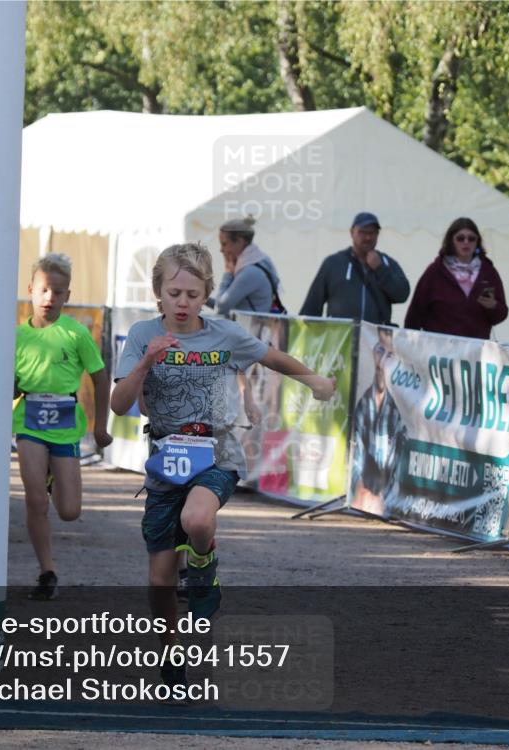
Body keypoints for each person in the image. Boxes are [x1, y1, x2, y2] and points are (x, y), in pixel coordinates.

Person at [111, 242, 335, 690]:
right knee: (159, 579)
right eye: (174, 292)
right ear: (159, 291)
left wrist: (313, 379)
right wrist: (149, 360)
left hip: (216, 453)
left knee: (197, 518)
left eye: (193, 294)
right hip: (164, 461)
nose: (183, 302)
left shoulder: (224, 335)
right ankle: (172, 660)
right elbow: (119, 404)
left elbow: (270, 356)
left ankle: (204, 561)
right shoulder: (141, 335)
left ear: (207, 293)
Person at [13, 253, 113, 600]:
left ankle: (54, 478)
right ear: (30, 290)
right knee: (35, 499)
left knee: (70, 512)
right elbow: (9, 385)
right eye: (43, 290)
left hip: (66, 426)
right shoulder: (17, 337)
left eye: (57, 292)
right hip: (28, 423)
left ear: (67, 296)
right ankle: (47, 571)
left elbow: (100, 380)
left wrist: (101, 427)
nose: (49, 298)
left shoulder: (76, 333)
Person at [403, 217, 508, 339]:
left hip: (476, 351)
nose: (466, 242)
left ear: (477, 242)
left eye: (471, 238)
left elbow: (501, 315)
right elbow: (415, 313)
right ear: (451, 241)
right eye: (460, 238)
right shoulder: (435, 272)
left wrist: (493, 306)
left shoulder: (489, 272)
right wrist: (409, 345)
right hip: (439, 351)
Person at [299, 212, 410, 325]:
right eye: (362, 232)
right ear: (352, 233)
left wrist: (380, 269)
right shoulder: (333, 264)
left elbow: (402, 295)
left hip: (375, 340)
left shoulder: (387, 263)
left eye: (372, 233)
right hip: (340, 339)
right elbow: (312, 306)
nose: (368, 237)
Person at [349, 328, 408, 516]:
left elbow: (398, 476)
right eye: (380, 351)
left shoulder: (400, 412)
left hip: (384, 503)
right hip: (361, 500)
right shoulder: (363, 403)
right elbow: (355, 463)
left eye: (389, 355)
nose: (382, 362)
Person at [209, 216, 283, 315]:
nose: (221, 250)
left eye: (224, 244)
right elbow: (223, 304)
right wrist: (202, 299)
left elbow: (220, 308)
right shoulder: (260, 259)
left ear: (240, 241)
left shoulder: (250, 272)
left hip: (251, 329)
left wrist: (228, 274)